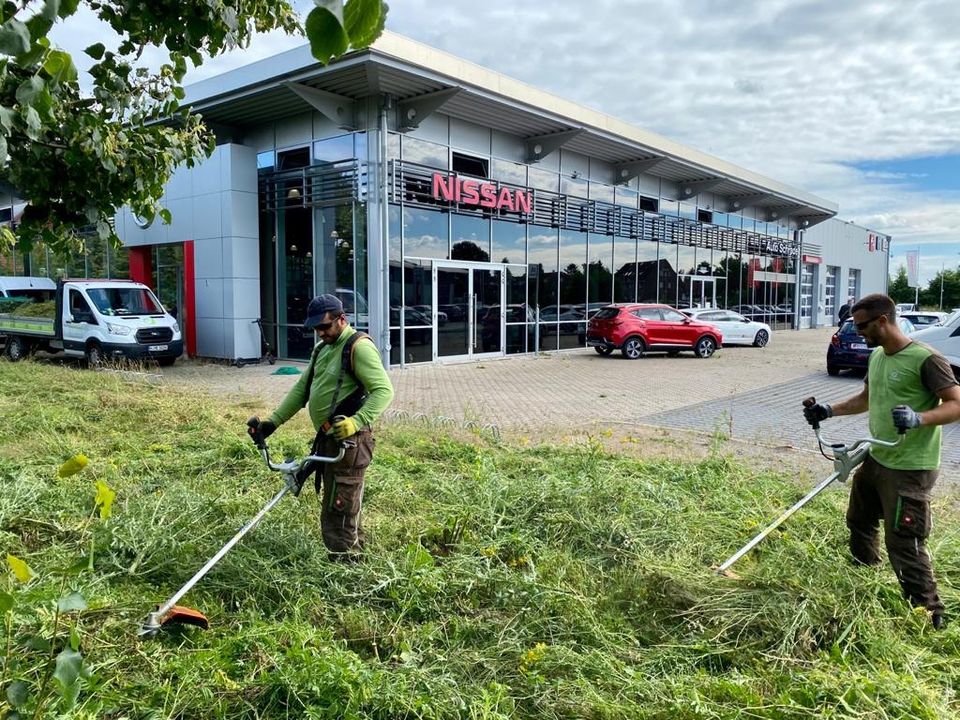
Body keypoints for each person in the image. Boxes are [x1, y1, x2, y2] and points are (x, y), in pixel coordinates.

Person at [804, 293, 960, 628]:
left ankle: (929, 615)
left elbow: (955, 403)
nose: (858, 332)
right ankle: (865, 582)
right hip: (877, 456)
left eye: (862, 326)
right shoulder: (877, 357)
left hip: (910, 467)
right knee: (859, 520)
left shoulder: (926, 359)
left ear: (883, 321)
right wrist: (828, 410)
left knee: (904, 541)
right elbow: (866, 398)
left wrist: (918, 418)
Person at [248, 294, 394, 560]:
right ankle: (353, 555)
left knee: (339, 508)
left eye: (325, 327)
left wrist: (356, 421)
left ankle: (345, 568)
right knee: (340, 504)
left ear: (342, 320)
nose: (321, 333)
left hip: (349, 442)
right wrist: (273, 422)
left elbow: (384, 391)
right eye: (316, 329)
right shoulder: (322, 348)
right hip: (328, 440)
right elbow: (302, 389)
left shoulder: (358, 347)